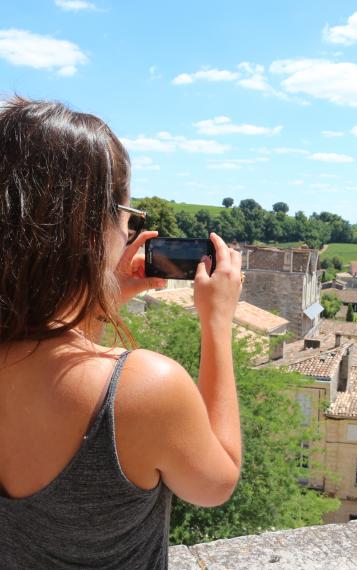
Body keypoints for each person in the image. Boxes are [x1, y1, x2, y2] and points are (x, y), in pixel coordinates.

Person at [0, 97, 243, 568]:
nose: (127, 228)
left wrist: (101, 296)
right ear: (94, 227)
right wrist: (217, 325)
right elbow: (217, 482)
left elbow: (42, 352)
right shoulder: (143, 389)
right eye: (126, 214)